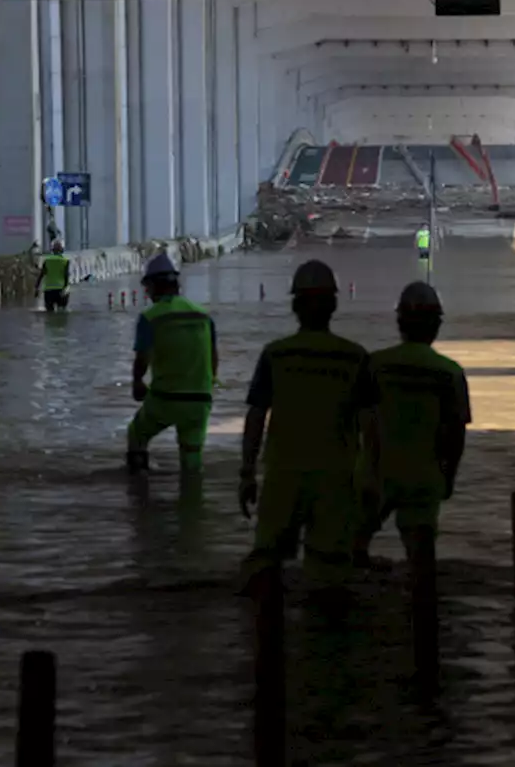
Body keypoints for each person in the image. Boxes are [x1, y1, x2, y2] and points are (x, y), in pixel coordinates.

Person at [238, 259, 376, 599]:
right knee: (330, 576)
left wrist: (246, 472)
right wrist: (371, 480)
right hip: (336, 478)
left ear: (294, 306)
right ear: (334, 305)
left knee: (266, 565)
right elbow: (372, 426)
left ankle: (263, 645)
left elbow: (256, 416)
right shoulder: (355, 357)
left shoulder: (276, 355)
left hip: (283, 475)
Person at [353, 281, 471, 568]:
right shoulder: (450, 372)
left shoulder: (373, 364)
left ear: (399, 322)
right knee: (421, 564)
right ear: (437, 325)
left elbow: (354, 419)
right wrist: (448, 477)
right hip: (424, 476)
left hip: (375, 472)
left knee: (351, 553)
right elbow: (455, 434)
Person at [127, 253, 217, 476]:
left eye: (147, 288)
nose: (147, 294)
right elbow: (214, 357)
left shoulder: (151, 317)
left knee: (137, 433)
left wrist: (137, 383)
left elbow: (142, 359)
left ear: (153, 286)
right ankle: (192, 504)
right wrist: (208, 386)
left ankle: (138, 490)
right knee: (192, 458)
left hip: (166, 398)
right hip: (200, 399)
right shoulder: (203, 315)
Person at [35, 239, 70, 312]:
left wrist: (37, 288)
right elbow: (66, 276)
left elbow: (41, 275)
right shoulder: (65, 261)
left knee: (49, 313)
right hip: (61, 289)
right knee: (62, 314)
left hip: (48, 290)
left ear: (52, 250)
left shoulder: (47, 261)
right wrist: (65, 288)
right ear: (62, 250)